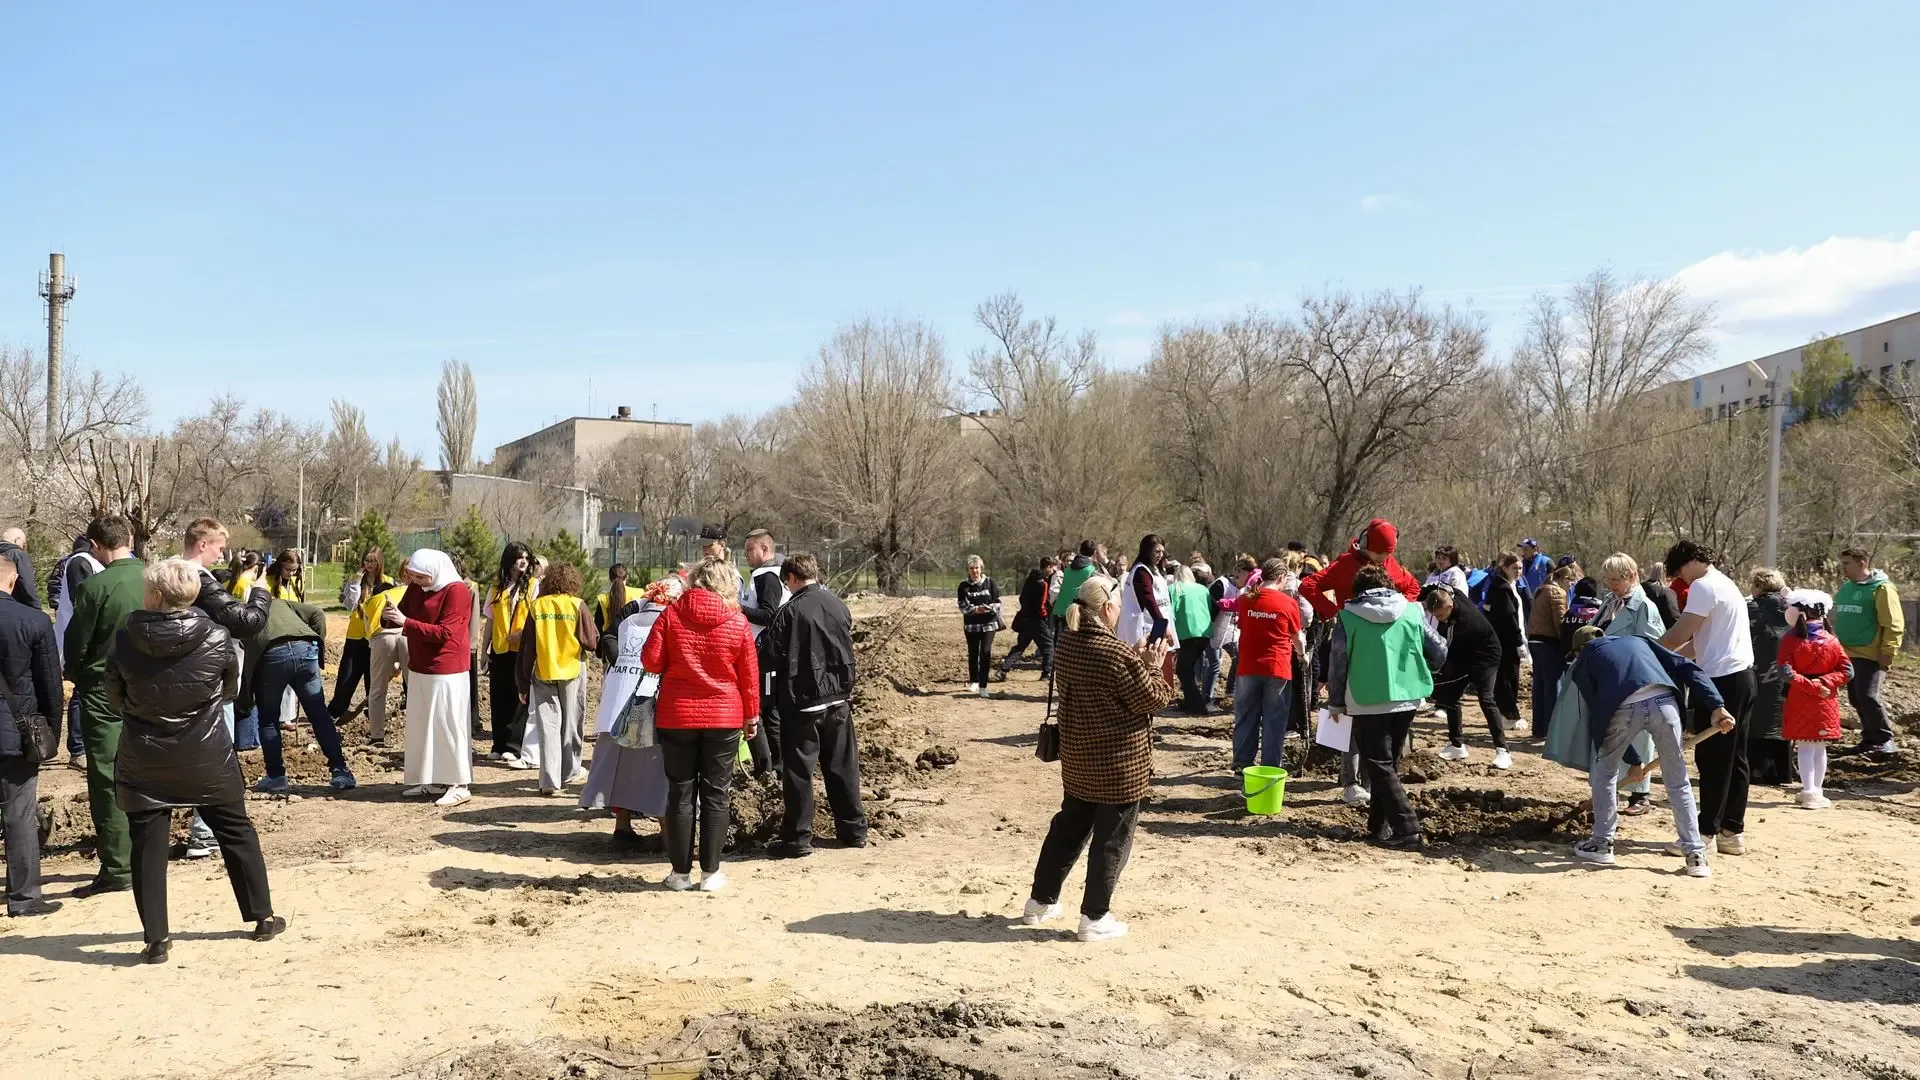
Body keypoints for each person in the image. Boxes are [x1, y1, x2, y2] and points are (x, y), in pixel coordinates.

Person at [110, 558, 285, 962]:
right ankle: (262, 916)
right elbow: (229, 690)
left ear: (156, 596)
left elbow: (115, 695)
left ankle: (156, 940)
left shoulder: (124, 639)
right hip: (206, 751)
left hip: (145, 754)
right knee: (236, 831)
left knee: (147, 847)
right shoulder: (218, 636)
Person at [1021, 576, 1173, 942]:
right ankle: (1095, 916)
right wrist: (1153, 664)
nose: (1120, 610)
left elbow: (1107, 682)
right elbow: (1154, 698)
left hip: (1078, 757)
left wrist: (1134, 660)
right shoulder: (1114, 653)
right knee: (1112, 839)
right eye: (1118, 604)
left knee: (1068, 829)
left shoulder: (1068, 641)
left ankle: (1039, 902)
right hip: (1118, 763)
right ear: (1106, 609)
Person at [1565, 626, 1726, 879]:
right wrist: (1716, 705)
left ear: (1579, 650)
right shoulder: (1638, 641)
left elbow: (1600, 715)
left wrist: (1633, 760)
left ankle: (1602, 844)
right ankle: (1696, 856)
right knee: (1678, 781)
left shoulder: (1583, 662)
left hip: (1622, 710)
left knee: (1605, 775)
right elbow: (1687, 666)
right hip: (1665, 702)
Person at [642, 556, 759, 893]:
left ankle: (679, 874)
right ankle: (711, 873)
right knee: (716, 793)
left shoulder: (670, 615)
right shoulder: (738, 622)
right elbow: (749, 677)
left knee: (680, 792)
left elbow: (651, 661)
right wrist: (751, 716)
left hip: (677, 715)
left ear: (694, 580)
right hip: (724, 716)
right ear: (727, 584)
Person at [1326, 566, 1445, 849]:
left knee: (1378, 765)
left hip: (1365, 699)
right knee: (1387, 765)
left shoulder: (1347, 617)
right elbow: (1439, 650)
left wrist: (1336, 703)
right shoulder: (1413, 611)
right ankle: (1379, 827)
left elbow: (1339, 663)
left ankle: (1408, 828)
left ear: (1357, 590)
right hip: (1408, 695)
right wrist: (1421, 666)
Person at [63, 516, 145, 899]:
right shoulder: (156, 579)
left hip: (104, 691)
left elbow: (76, 645)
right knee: (151, 772)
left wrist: (79, 674)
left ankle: (118, 868)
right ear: (129, 537)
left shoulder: (94, 587)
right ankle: (148, 857)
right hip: (154, 689)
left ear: (94, 546)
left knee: (108, 778)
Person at [764, 553, 867, 857]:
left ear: (792, 578)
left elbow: (769, 656)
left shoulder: (789, 611)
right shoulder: (837, 604)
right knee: (843, 767)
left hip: (802, 703)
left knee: (799, 773)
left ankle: (797, 840)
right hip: (838, 700)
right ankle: (853, 831)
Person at [1660, 539, 1756, 857]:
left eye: (1680, 573)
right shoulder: (1725, 583)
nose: (1682, 580)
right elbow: (1698, 644)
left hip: (1720, 681)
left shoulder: (1703, 586)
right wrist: (1670, 660)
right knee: (1735, 758)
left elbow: (1678, 635)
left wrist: (1646, 652)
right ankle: (1732, 831)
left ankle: (1705, 833)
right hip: (1742, 678)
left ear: (1690, 561)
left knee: (1713, 759)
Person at [580, 576, 677, 846]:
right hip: (651, 706)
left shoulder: (629, 618)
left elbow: (608, 638)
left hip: (617, 704)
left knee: (618, 767)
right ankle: (668, 834)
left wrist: (618, 660)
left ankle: (622, 827)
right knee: (657, 771)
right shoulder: (672, 621)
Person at [386, 549, 475, 807]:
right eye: (413, 576)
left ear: (435, 572)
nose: (416, 581)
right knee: (423, 725)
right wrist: (388, 615)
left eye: (421, 577)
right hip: (420, 666)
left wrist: (405, 622)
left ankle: (459, 783)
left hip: (447, 669)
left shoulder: (456, 590)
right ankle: (432, 778)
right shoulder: (417, 587)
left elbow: (446, 632)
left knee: (448, 725)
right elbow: (403, 615)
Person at [0, 553, 62, 917]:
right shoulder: (35, 621)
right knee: (19, 814)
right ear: (12, 581)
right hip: (17, 732)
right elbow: (50, 685)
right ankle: (24, 899)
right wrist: (51, 730)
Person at [244, 593, 356, 794]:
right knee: (319, 715)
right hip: (305, 649)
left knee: (268, 720)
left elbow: (249, 664)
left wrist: (244, 701)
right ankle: (340, 770)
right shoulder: (281, 602)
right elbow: (317, 614)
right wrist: (318, 644)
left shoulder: (248, 615)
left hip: (273, 655)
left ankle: (276, 777)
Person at [1589, 553, 1669, 816]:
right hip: (1608, 678)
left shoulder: (1644, 606)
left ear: (1632, 576)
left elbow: (1654, 645)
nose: (1611, 584)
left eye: (1616, 579)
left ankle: (1640, 794)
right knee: (1611, 734)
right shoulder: (1610, 601)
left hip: (1634, 680)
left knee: (1638, 736)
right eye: (1609, 579)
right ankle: (1610, 789)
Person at [516, 562, 598, 796]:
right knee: (571, 723)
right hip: (572, 671)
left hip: (543, 670)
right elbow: (591, 643)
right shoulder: (577, 604)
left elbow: (527, 648)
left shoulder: (537, 606)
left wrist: (522, 683)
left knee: (548, 727)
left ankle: (549, 781)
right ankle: (570, 772)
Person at [1421, 583, 1508, 768]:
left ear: (1450, 606)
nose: (1438, 619)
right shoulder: (1454, 594)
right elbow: (1437, 587)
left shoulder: (1465, 622)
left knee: (1486, 699)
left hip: (1486, 656)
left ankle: (1503, 750)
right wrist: (1417, 595)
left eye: (1440, 616)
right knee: (1450, 697)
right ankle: (1457, 745)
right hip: (1464, 652)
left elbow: (1444, 652)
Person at [1778, 590, 1851, 809]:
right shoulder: (1832, 640)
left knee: (1805, 745)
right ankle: (1816, 790)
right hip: (1826, 699)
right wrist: (1825, 683)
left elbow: (1786, 672)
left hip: (1800, 697)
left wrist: (1811, 686)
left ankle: (1809, 791)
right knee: (1819, 745)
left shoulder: (1790, 639)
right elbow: (1847, 671)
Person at [1231, 558, 1304, 769]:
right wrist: (1302, 655)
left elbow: (1244, 628)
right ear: (1281, 577)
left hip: (1248, 666)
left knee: (1246, 716)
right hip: (1277, 668)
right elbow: (1297, 637)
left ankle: (1242, 763)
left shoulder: (1246, 600)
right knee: (1274, 719)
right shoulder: (1288, 603)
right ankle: (1270, 766)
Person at [1833, 548, 1904, 756]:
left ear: (1862, 563)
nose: (1842, 567)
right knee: (1856, 698)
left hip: (1870, 653)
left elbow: (1894, 623)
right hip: (1847, 654)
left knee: (1868, 695)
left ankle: (1884, 739)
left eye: (1847, 563)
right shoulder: (1847, 587)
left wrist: (1888, 650)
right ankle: (1870, 739)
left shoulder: (1882, 589)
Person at [1300, 518, 1421, 622]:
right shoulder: (1345, 564)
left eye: (1388, 553)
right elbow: (1308, 584)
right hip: (1352, 632)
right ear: (1365, 543)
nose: (1383, 558)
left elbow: (1413, 585)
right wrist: (1333, 611)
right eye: (1379, 553)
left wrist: (1401, 610)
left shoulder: (1389, 561)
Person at [740, 529, 790, 772]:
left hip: (767, 653)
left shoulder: (767, 577)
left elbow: (769, 615)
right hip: (768, 651)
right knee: (765, 710)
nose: (746, 555)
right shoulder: (771, 574)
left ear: (765, 549)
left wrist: (737, 609)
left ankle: (775, 768)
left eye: (750, 549)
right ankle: (771, 766)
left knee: (767, 711)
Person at [327, 548, 396, 723]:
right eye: (367, 560)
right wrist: (356, 583)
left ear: (380, 562)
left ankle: (373, 713)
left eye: (373, 561)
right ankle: (336, 711)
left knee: (373, 679)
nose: (369, 564)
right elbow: (350, 605)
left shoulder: (388, 582)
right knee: (347, 676)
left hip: (377, 636)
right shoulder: (355, 580)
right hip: (355, 637)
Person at [484, 542, 537, 766]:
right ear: (509, 560)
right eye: (519, 557)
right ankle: (499, 744)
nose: (523, 561)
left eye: (526, 557)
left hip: (521, 651)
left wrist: (522, 635)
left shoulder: (533, 585)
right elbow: (490, 620)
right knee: (499, 697)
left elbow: (535, 617)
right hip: (499, 650)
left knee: (518, 697)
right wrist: (484, 650)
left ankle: (514, 747)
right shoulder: (496, 588)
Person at [52, 534, 100, 769]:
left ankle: (83, 746)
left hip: (84, 637)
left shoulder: (85, 562)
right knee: (79, 692)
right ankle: (78, 748)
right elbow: (83, 603)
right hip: (81, 638)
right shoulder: (81, 562)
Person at [1746, 568, 1793, 787]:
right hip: (1787, 671)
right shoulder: (1793, 608)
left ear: (1758, 586)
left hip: (1758, 670)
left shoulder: (1751, 609)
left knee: (1757, 717)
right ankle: (1782, 772)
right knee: (1780, 718)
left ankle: (1757, 770)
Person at [1526, 564, 1575, 739]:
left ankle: (1539, 728)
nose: (1571, 585)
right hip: (1548, 643)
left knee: (1539, 685)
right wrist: (1567, 646)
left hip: (1535, 641)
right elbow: (1560, 622)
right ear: (1563, 578)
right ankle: (1552, 729)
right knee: (1553, 685)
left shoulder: (1541, 590)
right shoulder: (1557, 593)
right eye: (1571, 580)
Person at [999, 556, 1059, 681]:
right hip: (1037, 620)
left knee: (1020, 646)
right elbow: (1042, 604)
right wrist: (1044, 615)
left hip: (1025, 618)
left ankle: (1003, 669)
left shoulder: (1030, 579)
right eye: (1053, 568)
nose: (1054, 571)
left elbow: (1021, 598)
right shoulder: (1043, 583)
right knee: (1048, 646)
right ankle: (1046, 673)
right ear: (1048, 567)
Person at [1485, 552, 1527, 731]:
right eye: (1514, 568)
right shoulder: (1501, 589)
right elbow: (1509, 618)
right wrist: (1518, 641)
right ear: (1504, 568)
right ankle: (1509, 716)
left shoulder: (1511, 586)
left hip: (1509, 639)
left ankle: (1504, 714)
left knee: (1507, 677)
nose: (1518, 571)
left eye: (1520, 568)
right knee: (1507, 678)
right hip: (1506, 641)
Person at [1169, 564, 1216, 715]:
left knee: (1183, 670)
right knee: (1187, 668)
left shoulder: (1174, 589)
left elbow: (1171, 612)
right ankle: (1190, 702)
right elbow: (1212, 608)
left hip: (1187, 633)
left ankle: (1197, 705)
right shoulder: (1203, 589)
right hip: (1204, 633)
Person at [1203, 556, 1250, 708]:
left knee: (1240, 657)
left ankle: (1231, 691)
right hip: (1212, 628)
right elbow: (1210, 609)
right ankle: (1206, 699)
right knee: (1215, 663)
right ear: (1238, 572)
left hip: (1230, 630)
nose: (1248, 580)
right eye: (1246, 575)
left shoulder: (1244, 589)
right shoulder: (1221, 585)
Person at [1117, 535, 1175, 650]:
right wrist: (1162, 625)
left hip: (1157, 622)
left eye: (1162, 552)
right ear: (1147, 551)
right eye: (1157, 551)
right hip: (1145, 626)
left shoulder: (1155, 569)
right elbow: (1149, 599)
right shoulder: (1141, 571)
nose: (1160, 555)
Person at [956, 555, 1002, 697]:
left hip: (989, 624)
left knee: (985, 652)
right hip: (972, 625)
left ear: (981, 568)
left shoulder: (990, 583)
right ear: (968, 570)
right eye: (972, 568)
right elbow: (962, 606)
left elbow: (998, 602)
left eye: (977, 568)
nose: (974, 571)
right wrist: (975, 609)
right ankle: (974, 681)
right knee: (973, 652)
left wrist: (988, 608)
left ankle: (983, 686)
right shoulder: (963, 586)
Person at [1049, 541, 1103, 634]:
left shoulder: (1068, 568)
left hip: (1061, 609)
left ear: (1080, 550)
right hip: (1078, 612)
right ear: (1094, 553)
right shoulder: (1092, 571)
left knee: (1060, 640)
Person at [0, 526, 39, 608]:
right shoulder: (18, 554)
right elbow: (27, 583)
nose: (23, 546)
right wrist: (36, 606)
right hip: (14, 605)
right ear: (17, 540)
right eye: (23, 543)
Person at [1517, 538, 1552, 603]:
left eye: (1526, 549)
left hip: (1542, 602)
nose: (1523, 552)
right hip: (1525, 602)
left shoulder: (1546, 562)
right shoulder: (1520, 564)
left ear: (1535, 549)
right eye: (1523, 549)